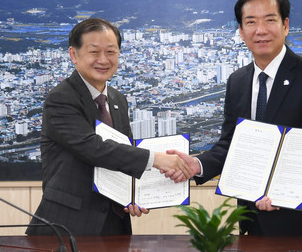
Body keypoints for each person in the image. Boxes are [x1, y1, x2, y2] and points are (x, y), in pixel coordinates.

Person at [168, 0, 302, 235]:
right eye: (251, 22)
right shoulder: (238, 81)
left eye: (270, 20)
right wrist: (198, 164)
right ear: (241, 32)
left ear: (285, 26)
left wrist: (279, 188)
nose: (261, 30)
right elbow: (230, 143)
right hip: (253, 218)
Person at [26, 18, 192, 236]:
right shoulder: (61, 97)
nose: (103, 60)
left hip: (114, 223)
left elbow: (124, 152)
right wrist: (156, 159)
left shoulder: (117, 99)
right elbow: (94, 148)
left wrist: (134, 196)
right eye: (94, 52)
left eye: (111, 52)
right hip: (68, 224)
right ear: (74, 55)